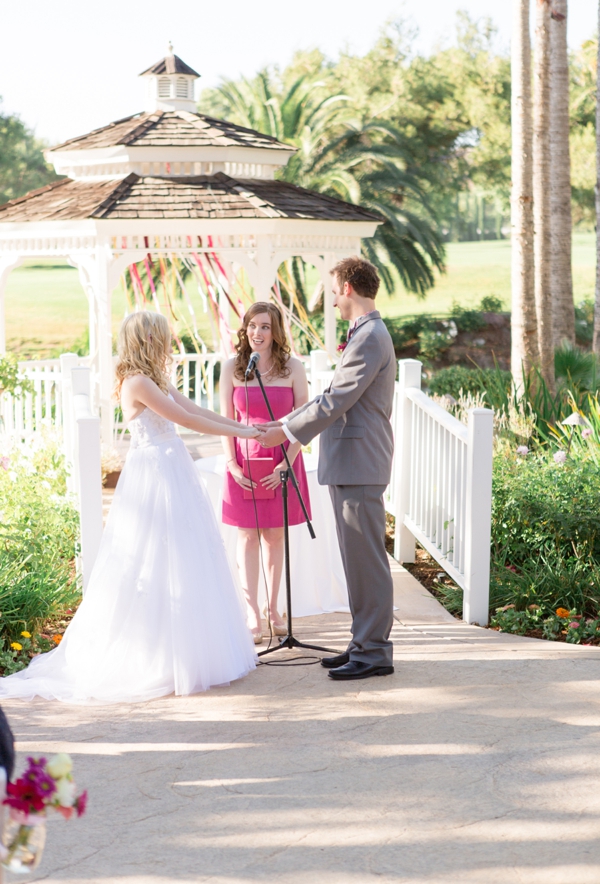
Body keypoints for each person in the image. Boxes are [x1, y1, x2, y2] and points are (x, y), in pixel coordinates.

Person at [0, 311, 261, 704]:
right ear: (149, 339)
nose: (170, 342)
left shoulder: (155, 379)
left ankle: (187, 650)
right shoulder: (137, 382)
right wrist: (240, 432)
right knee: (153, 561)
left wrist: (242, 425)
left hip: (172, 469)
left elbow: (200, 411)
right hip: (155, 475)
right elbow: (186, 419)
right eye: (164, 336)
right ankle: (155, 656)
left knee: (185, 558)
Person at [258, 257, 396, 680]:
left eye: (334, 290)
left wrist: (286, 430)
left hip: (360, 463)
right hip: (350, 463)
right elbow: (335, 396)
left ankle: (373, 652)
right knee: (356, 560)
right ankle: (362, 642)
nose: (333, 299)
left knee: (367, 561)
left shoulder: (371, 336)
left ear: (350, 288)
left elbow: (336, 399)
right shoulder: (364, 334)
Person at [220, 302, 312, 644]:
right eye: (251, 326)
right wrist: (231, 464)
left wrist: (285, 463)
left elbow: (304, 420)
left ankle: (274, 609)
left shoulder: (294, 369)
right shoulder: (233, 367)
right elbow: (226, 422)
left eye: (265, 327)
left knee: (274, 536)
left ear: (276, 332)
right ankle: (251, 612)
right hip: (243, 462)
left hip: (281, 459)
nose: (257, 333)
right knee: (246, 537)